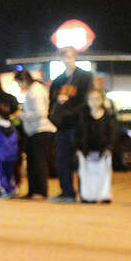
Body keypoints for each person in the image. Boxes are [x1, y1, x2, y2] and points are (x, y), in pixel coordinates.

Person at [49, 47, 93, 202]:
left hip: (78, 124)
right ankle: (67, 191)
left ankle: (85, 192)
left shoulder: (84, 77)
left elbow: (86, 101)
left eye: (69, 56)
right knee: (62, 159)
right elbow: (51, 103)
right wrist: (56, 114)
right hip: (62, 126)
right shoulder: (58, 80)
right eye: (63, 57)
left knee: (80, 159)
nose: (67, 60)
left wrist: (71, 112)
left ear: (75, 57)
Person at [16, 69, 55, 199]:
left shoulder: (36, 91)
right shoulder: (34, 90)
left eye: (18, 83)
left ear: (24, 80)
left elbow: (41, 112)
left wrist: (22, 115)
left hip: (40, 131)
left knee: (39, 162)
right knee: (32, 162)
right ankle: (33, 191)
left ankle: (41, 191)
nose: (19, 86)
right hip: (35, 131)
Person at [76, 89, 116, 203]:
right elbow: (79, 133)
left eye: (97, 99)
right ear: (87, 101)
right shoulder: (83, 116)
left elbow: (112, 133)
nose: (94, 102)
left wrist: (109, 147)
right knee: (87, 175)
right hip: (86, 151)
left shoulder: (108, 116)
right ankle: (88, 196)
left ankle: (103, 195)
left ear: (102, 100)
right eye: (91, 99)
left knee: (103, 174)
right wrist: (79, 148)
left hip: (102, 151)